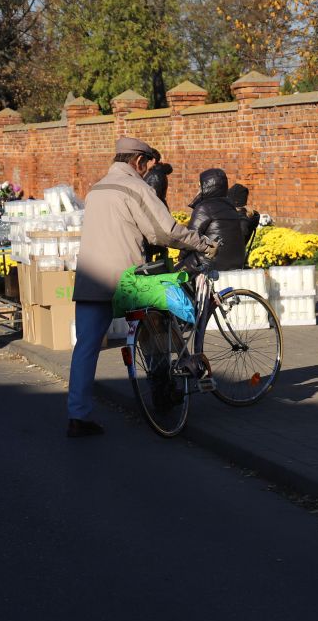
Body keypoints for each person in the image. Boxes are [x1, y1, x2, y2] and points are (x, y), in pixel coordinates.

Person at [65, 137, 214, 438]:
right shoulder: (135, 188)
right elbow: (164, 231)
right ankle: (174, 380)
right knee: (173, 307)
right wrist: (205, 245)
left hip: (91, 281)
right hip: (128, 280)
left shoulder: (97, 189)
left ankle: (77, 416)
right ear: (137, 162)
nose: (146, 172)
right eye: (145, 166)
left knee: (86, 348)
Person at [186, 169, 254, 270]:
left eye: (200, 185)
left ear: (206, 186)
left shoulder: (204, 208)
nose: (198, 188)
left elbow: (190, 238)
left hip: (206, 264)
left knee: (170, 278)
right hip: (234, 263)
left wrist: (181, 258)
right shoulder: (231, 207)